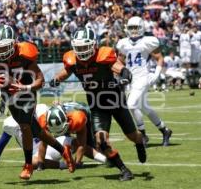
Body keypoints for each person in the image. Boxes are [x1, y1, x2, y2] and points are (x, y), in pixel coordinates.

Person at [0, 25, 75, 180]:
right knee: (37, 131)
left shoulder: (24, 55)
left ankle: (28, 165)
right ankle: (64, 151)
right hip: (9, 97)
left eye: (5, 47)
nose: (2, 51)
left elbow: (40, 80)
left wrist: (25, 87)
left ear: (14, 44)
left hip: (27, 93)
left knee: (25, 126)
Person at [49, 27, 146, 181]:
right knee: (101, 142)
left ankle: (140, 142)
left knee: (133, 136)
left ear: (93, 45)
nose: (81, 51)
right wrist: (56, 79)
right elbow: (67, 71)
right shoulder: (73, 60)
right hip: (97, 106)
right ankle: (124, 170)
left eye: (84, 47)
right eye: (78, 47)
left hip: (116, 102)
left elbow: (121, 69)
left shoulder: (103, 56)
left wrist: (125, 76)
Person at [0, 103, 106, 170]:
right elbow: (1, 144)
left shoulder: (40, 111)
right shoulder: (9, 124)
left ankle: (105, 159)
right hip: (36, 152)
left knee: (75, 142)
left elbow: (53, 126)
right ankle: (66, 164)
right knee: (34, 162)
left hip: (54, 144)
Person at [116, 16, 172, 146]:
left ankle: (142, 135)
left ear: (141, 28)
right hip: (131, 79)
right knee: (144, 107)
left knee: (131, 104)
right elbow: (120, 61)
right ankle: (165, 130)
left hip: (143, 77)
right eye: (131, 28)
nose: (134, 31)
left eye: (136, 28)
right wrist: (120, 75)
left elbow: (159, 58)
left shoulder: (148, 41)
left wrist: (156, 74)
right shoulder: (123, 43)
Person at [37, 101, 107, 170]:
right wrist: (40, 163)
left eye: (61, 130)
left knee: (94, 146)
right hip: (66, 116)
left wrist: (77, 163)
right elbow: (44, 142)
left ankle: (107, 159)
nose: (59, 133)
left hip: (83, 111)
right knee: (65, 143)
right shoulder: (43, 121)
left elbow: (82, 144)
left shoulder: (78, 118)